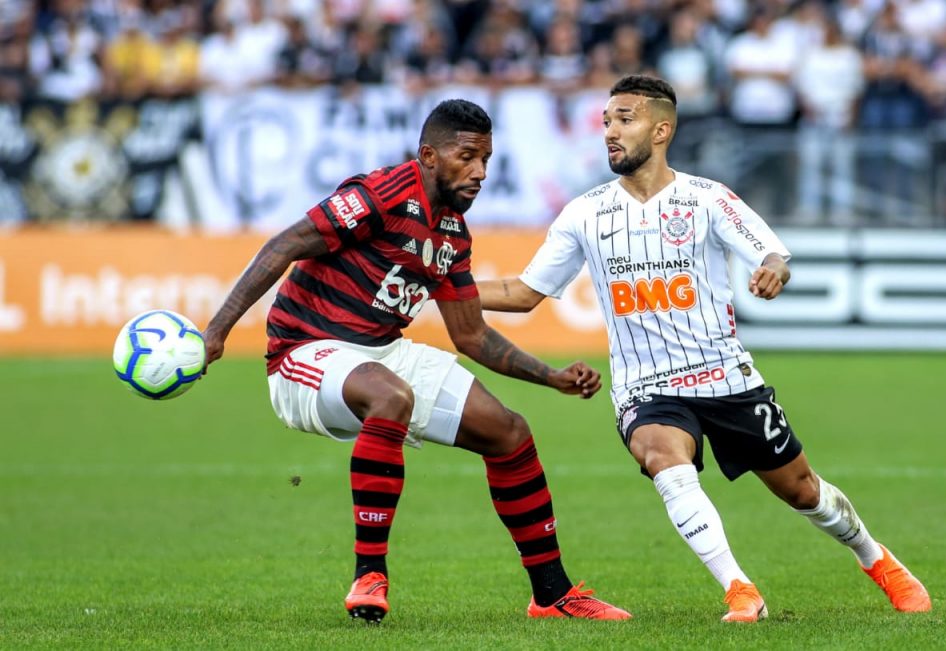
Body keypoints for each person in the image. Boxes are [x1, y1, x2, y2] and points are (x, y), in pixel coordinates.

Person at [477, 75, 932, 622]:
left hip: (726, 376)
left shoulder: (707, 198)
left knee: (802, 490)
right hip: (646, 387)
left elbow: (772, 255)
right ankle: (740, 589)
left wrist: (771, 272)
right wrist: (442, 283)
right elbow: (523, 293)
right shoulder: (584, 214)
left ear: (661, 128)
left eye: (625, 119)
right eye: (606, 121)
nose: (610, 133)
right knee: (664, 458)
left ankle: (876, 559)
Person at [202, 99, 630, 624]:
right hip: (303, 350)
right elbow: (285, 243)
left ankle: (553, 594)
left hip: (382, 350)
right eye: (467, 156)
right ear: (429, 154)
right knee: (391, 395)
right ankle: (369, 574)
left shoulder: (453, 233)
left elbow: (471, 336)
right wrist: (217, 332)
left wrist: (552, 377)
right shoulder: (380, 195)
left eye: (487, 160)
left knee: (509, 432)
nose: (479, 172)